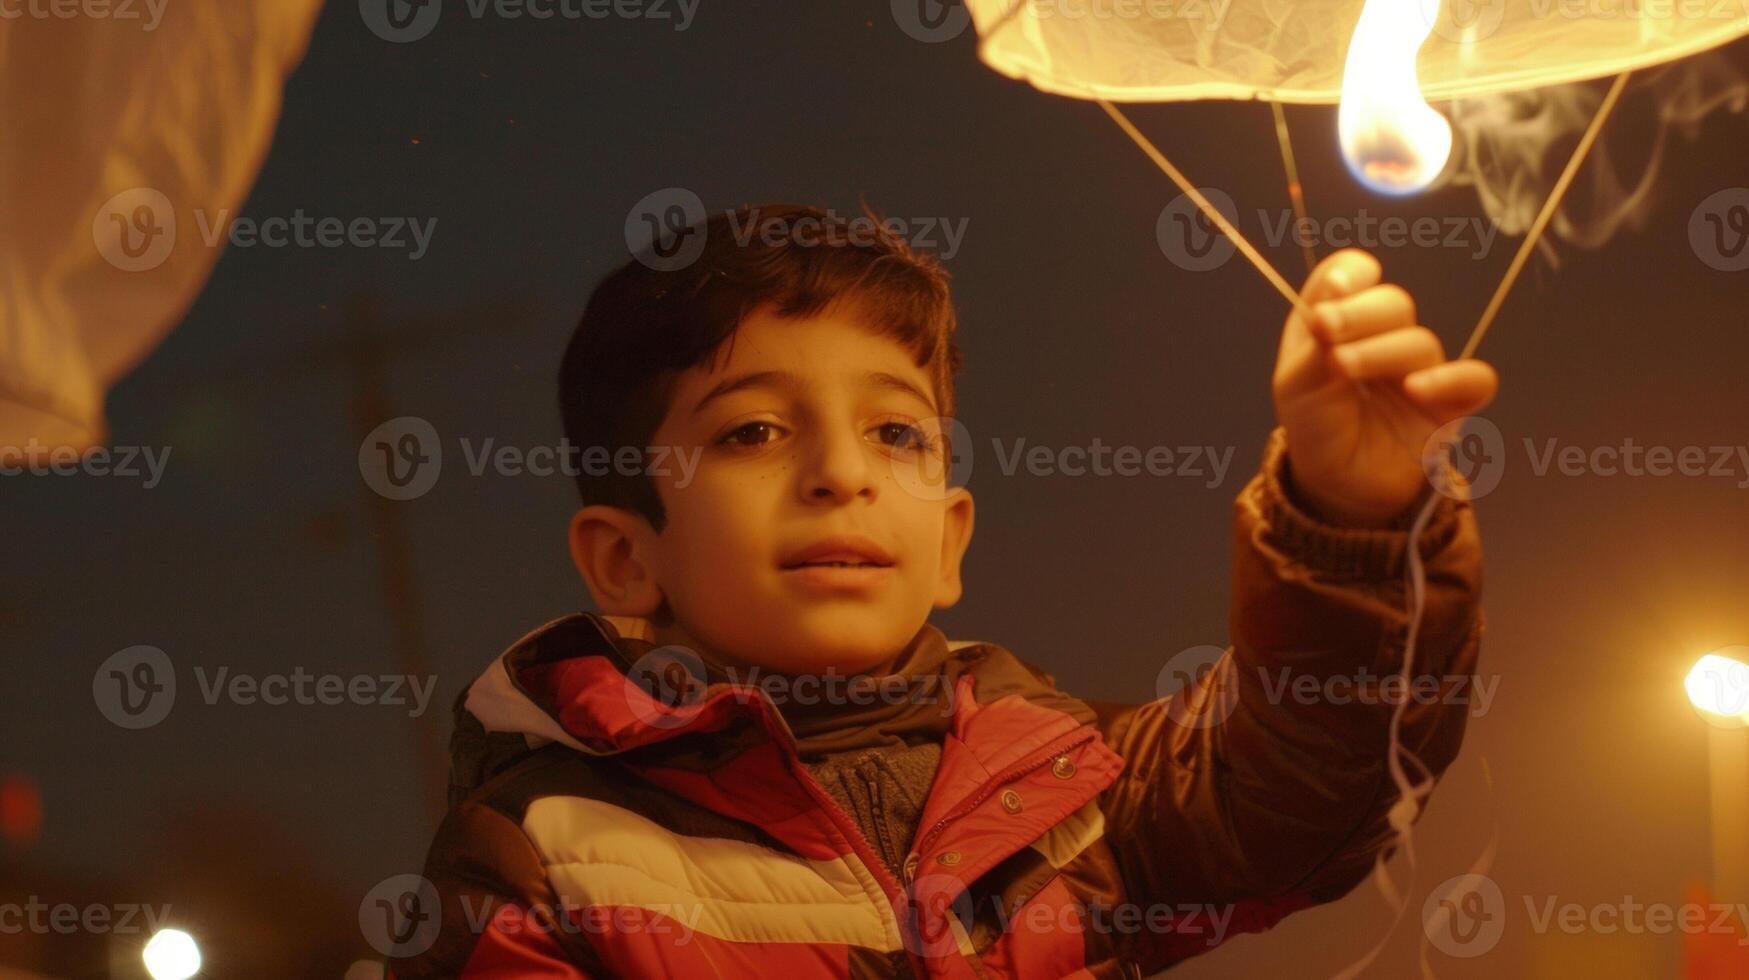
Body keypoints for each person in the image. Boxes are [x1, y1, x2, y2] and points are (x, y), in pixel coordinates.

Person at [388, 203, 1497, 977]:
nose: (843, 471)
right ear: (627, 558)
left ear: (952, 539)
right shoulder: (541, 857)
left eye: (897, 429)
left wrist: (1349, 514)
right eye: (756, 430)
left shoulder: (1073, 796)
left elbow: (1311, 774)